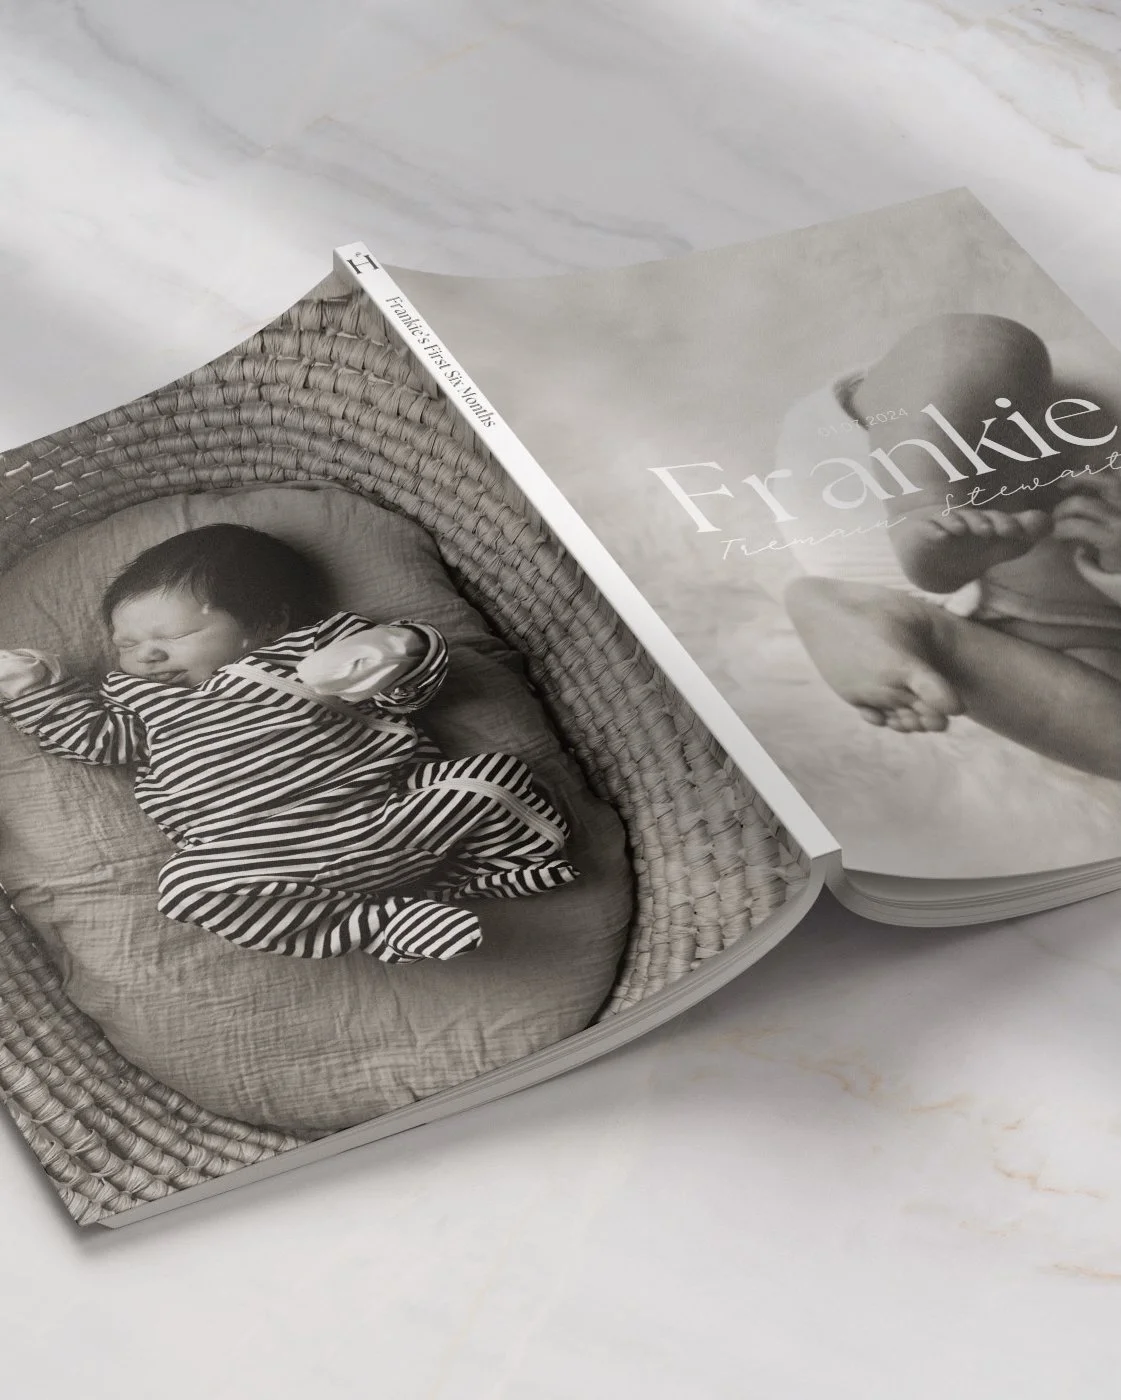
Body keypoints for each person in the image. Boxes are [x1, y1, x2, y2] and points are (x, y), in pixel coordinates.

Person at [0, 524, 578, 961]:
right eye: (126, 644)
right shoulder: (143, 701)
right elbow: (96, 738)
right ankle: (382, 924)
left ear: (268, 621)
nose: (145, 656)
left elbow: (407, 693)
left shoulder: (310, 652)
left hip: (383, 818)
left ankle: (490, 871)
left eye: (172, 637)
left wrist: (397, 651)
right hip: (260, 857)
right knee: (186, 887)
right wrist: (31, 692)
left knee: (491, 778)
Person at [781, 313, 1121, 779]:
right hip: (934, 443)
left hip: (1017, 630)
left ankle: (916, 631)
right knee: (983, 346)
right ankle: (923, 503)